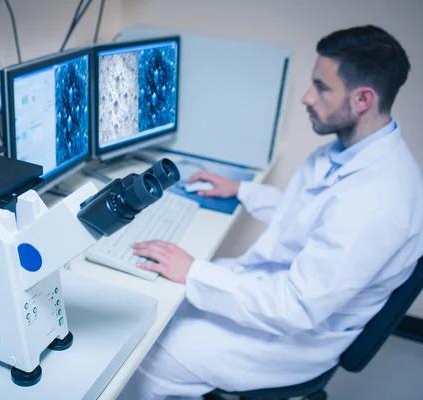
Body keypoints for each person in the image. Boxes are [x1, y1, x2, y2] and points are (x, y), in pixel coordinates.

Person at [118, 25, 423, 400]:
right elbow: (313, 217)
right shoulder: (348, 150)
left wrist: (193, 271)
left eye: (322, 87)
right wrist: (242, 190)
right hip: (277, 293)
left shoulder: (379, 202)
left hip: (295, 336)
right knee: (154, 302)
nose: (307, 98)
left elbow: (295, 307)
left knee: (147, 352)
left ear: (362, 99)